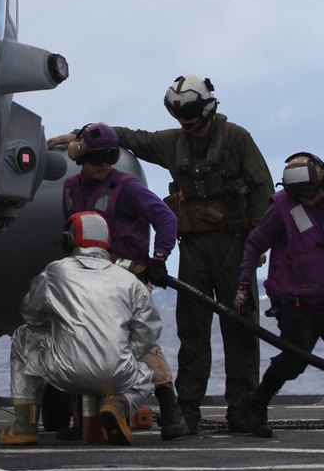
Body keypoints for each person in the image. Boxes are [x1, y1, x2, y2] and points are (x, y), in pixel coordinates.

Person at [111, 75, 274, 436]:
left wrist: (258, 244)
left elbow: (262, 186)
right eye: (180, 117)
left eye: (190, 116)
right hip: (194, 249)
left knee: (241, 329)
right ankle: (188, 410)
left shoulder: (237, 139)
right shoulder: (174, 143)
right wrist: (87, 132)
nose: (186, 124)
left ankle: (243, 410)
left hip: (236, 245)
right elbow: (134, 138)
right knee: (193, 330)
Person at [230, 152, 324, 439]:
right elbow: (254, 245)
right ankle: (255, 405)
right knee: (293, 359)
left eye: (311, 193)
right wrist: (243, 284)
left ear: (323, 182)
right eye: (300, 195)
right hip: (296, 301)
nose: (307, 200)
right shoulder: (282, 208)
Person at [47, 121, 187, 440]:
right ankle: (83, 420)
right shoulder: (69, 189)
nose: (105, 165)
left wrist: (159, 259)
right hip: (87, 282)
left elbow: (166, 218)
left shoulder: (127, 187)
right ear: (81, 156)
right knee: (81, 343)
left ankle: (170, 410)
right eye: (98, 158)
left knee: (139, 343)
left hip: (126, 279)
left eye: (110, 157)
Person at [0, 211, 161, 447]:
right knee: (144, 374)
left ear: (69, 240)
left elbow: (30, 314)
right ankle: (117, 405)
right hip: (116, 375)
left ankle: (25, 426)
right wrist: (124, 355)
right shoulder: (129, 281)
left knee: (23, 335)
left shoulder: (56, 272)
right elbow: (148, 330)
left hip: (64, 375)